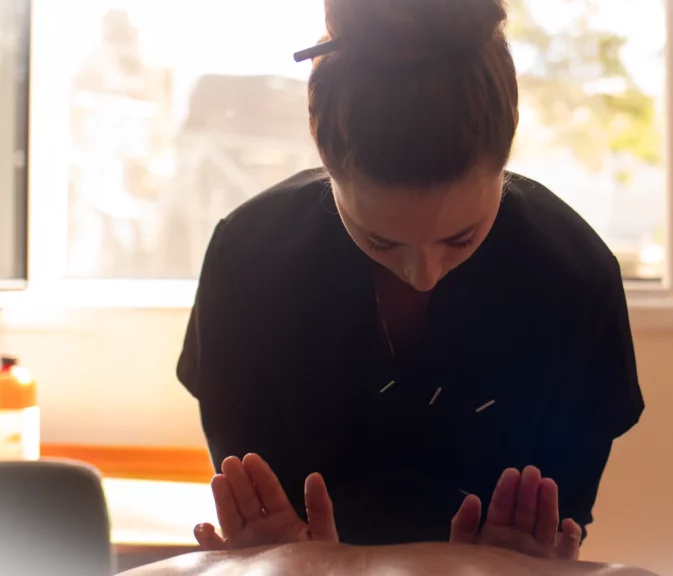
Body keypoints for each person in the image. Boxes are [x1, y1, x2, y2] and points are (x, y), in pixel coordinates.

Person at [176, 0, 644, 556]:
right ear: (329, 167)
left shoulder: (575, 281)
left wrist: (517, 566)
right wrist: (276, 556)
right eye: (379, 241)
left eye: (461, 239)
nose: (423, 276)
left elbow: (564, 508)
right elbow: (258, 499)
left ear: (505, 156)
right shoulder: (247, 262)